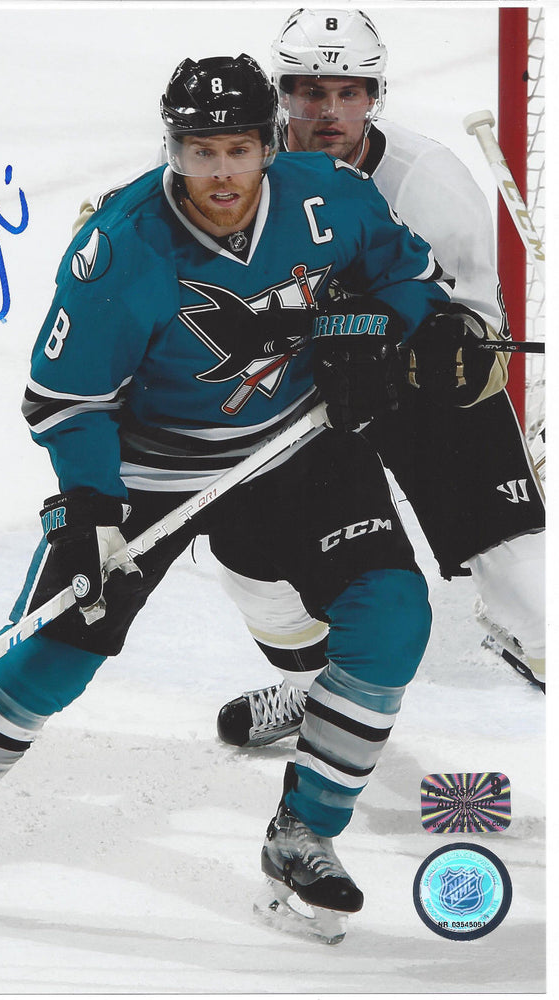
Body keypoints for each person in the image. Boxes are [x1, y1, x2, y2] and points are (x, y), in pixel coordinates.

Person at [0, 52, 451, 938]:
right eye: (199, 151)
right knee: (52, 656)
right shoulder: (120, 248)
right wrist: (90, 511)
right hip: (153, 471)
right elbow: (64, 401)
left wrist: (384, 332)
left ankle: (305, 833)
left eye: (238, 149)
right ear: (171, 149)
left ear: (269, 145)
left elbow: (409, 276)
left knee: (393, 619)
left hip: (294, 448)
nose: (220, 173)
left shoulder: (330, 195)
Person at [214, 8, 546, 750]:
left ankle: (533, 638)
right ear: (282, 95)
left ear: (375, 96)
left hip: (414, 388)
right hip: (290, 397)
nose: (329, 112)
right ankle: (315, 686)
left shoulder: (426, 179)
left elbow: (475, 337)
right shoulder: (234, 166)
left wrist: (435, 343)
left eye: (348, 93)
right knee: (247, 558)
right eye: (310, 92)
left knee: (536, 599)